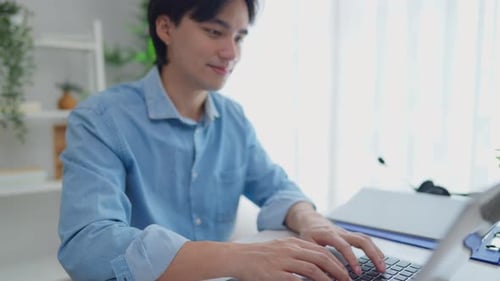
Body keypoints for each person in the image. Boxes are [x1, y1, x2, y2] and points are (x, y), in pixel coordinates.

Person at [57, 0, 386, 280]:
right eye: (214, 32)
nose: (231, 52)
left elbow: (277, 187)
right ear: (166, 29)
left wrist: (312, 221)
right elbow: (88, 245)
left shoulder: (234, 120)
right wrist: (238, 257)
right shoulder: (101, 119)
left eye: (240, 36)